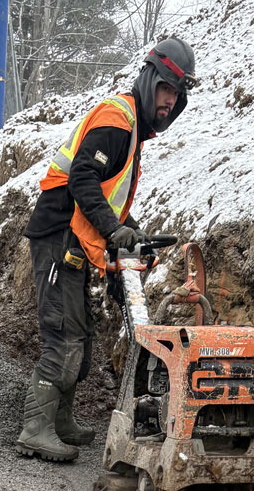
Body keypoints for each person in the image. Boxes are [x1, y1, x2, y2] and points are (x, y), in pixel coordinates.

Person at [15, 38, 197, 462]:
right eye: (165, 90)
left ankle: (60, 422)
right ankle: (34, 428)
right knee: (62, 335)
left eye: (176, 94)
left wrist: (129, 230)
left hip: (77, 239)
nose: (169, 101)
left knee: (80, 335)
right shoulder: (118, 120)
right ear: (151, 81)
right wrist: (114, 228)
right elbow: (82, 179)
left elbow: (106, 196)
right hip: (59, 233)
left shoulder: (131, 129)